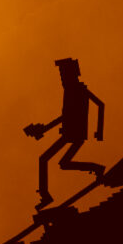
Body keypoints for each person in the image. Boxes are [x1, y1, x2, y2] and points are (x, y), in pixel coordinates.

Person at [23, 57, 106, 210]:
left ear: (71, 74)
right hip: (69, 133)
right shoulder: (69, 91)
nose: (62, 78)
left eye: (63, 75)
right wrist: (45, 129)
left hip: (76, 133)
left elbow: (100, 105)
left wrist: (98, 131)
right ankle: (96, 168)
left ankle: (46, 196)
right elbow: (65, 116)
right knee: (62, 163)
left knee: (46, 159)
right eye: (61, 75)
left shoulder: (78, 90)